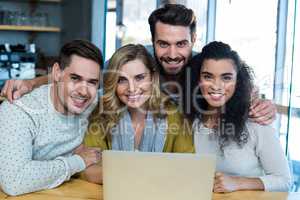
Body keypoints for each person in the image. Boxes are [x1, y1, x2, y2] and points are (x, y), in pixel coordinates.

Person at [0, 4, 276, 125]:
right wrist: (30, 83)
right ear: (153, 41)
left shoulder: (204, 65)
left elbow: (237, 83)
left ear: (194, 39)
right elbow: (85, 75)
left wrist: (263, 102)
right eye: (163, 44)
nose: (171, 53)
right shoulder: (139, 60)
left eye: (181, 44)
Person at [185, 41, 291, 192]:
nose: (216, 86)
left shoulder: (256, 120)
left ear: (237, 82)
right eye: (208, 76)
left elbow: (284, 180)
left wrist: (238, 183)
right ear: (198, 80)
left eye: (226, 78)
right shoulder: (193, 122)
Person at [0, 40, 103, 196]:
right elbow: (14, 181)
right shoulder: (19, 110)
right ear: (56, 72)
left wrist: (33, 82)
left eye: (92, 82)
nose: (84, 91)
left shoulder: (90, 102)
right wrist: (78, 161)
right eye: (75, 78)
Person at [80, 44, 194, 184]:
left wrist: (121, 172)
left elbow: (188, 168)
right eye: (122, 80)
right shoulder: (101, 115)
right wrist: (149, 172)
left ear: (152, 78)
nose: (132, 88)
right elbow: (89, 170)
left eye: (139, 77)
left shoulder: (174, 114)